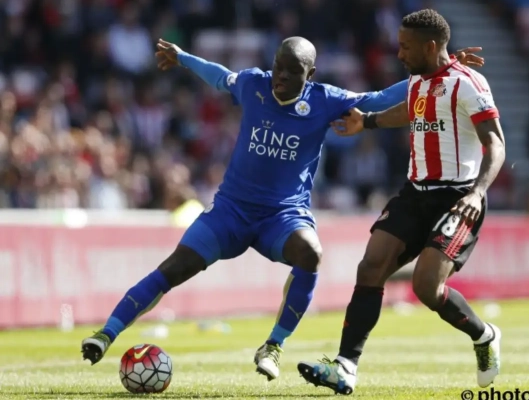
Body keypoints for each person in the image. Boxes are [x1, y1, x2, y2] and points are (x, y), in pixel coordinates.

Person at [80, 35, 485, 381]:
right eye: (278, 67)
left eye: (293, 72)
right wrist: (183, 57)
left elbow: (378, 99)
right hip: (231, 212)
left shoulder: (326, 100)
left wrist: (438, 70)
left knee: (310, 253)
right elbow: (219, 76)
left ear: (310, 75)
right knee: (173, 267)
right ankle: (105, 334)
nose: (282, 77)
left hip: (282, 216)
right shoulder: (253, 84)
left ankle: (273, 345)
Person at [298, 9, 505, 395]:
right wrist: (367, 121)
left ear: (430, 46)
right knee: (370, 266)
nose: (399, 53)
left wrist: (477, 193)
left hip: (458, 199)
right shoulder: (418, 79)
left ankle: (485, 335)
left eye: (406, 47)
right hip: (415, 193)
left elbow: (495, 143)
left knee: (427, 288)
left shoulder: (468, 84)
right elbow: (412, 109)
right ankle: (345, 367)